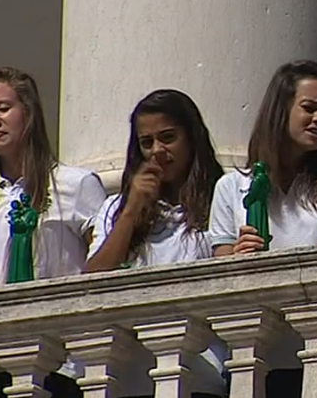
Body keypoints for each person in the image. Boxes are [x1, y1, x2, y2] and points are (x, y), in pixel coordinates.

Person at [207, 60, 317, 398]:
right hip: (256, 358)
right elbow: (219, 279)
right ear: (280, 110)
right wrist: (238, 258)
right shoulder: (232, 188)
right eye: (309, 108)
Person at [0, 67, 106, 398]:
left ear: (28, 113)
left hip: (61, 365)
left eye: (3, 108)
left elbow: (105, 266)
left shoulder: (75, 185)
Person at [85, 89, 227, 397]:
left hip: (200, 372)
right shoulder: (115, 208)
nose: (157, 151)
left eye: (168, 137)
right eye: (146, 142)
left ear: (191, 139)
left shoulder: (222, 198)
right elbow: (93, 281)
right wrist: (132, 210)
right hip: (130, 377)